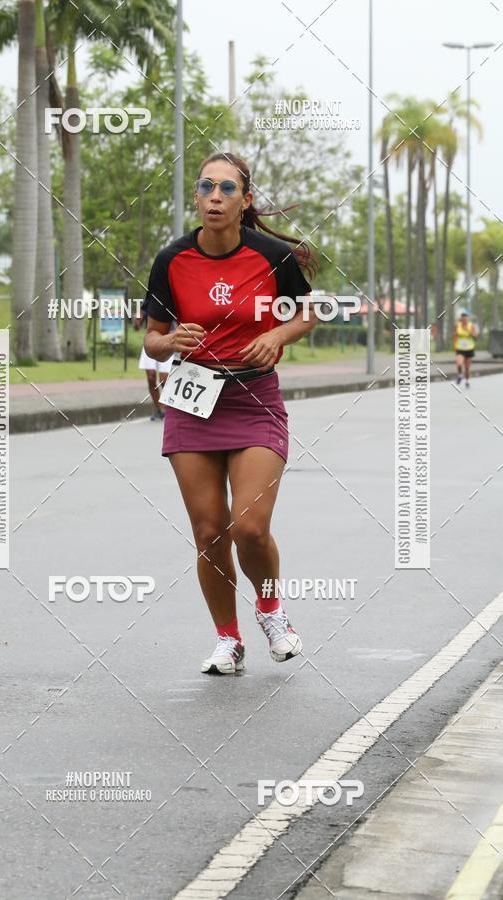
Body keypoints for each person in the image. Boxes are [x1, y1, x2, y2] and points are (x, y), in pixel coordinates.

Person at [141, 151, 319, 675]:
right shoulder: (171, 259)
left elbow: (308, 312)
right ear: (196, 198)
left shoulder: (269, 257)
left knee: (249, 526)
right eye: (206, 187)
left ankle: (270, 610)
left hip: (253, 398)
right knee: (209, 531)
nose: (214, 197)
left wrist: (278, 333)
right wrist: (170, 338)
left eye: (226, 188)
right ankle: (228, 639)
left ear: (245, 200)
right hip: (194, 401)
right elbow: (151, 340)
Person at [134, 309, 176, 420]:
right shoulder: (146, 303)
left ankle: (169, 408)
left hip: (167, 341)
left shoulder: (167, 295)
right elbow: (137, 327)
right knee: (151, 377)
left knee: (164, 379)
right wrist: (137, 321)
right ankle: (159, 409)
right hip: (151, 343)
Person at [454, 310, 478, 389]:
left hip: (469, 348)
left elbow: (475, 337)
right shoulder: (457, 325)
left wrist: (470, 332)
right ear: (461, 319)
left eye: (466, 319)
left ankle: (467, 381)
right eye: (463, 319)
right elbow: (454, 335)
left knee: (467, 368)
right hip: (460, 348)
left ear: (468, 319)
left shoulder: (471, 326)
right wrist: (454, 345)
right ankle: (460, 375)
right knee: (459, 363)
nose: (464, 320)